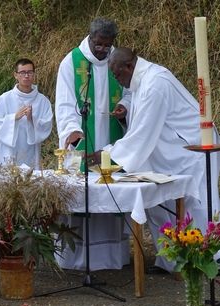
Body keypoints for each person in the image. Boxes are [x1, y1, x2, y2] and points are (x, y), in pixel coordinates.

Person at [91, 47, 220, 272]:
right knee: (159, 203)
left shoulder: (156, 82)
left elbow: (142, 132)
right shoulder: (141, 81)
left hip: (191, 150)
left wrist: (108, 154)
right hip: (165, 150)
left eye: (117, 74)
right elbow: (139, 121)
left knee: (197, 202)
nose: (116, 79)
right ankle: (170, 260)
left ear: (129, 67)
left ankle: (210, 258)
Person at [55, 18, 131, 270]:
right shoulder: (72, 61)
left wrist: (124, 108)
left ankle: (109, 257)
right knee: (81, 196)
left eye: (107, 45)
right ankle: (76, 259)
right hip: (82, 140)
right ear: (90, 37)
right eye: (98, 44)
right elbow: (64, 103)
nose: (102, 50)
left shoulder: (116, 60)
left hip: (110, 139)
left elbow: (130, 91)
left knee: (109, 190)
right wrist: (73, 131)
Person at [0, 58, 53, 169]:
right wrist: (13, 118)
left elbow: (47, 125)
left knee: (30, 182)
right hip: (8, 150)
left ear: (34, 74)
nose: (26, 76)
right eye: (22, 72)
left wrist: (32, 119)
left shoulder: (42, 101)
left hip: (31, 149)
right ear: (15, 75)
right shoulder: (4, 99)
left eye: (30, 72)